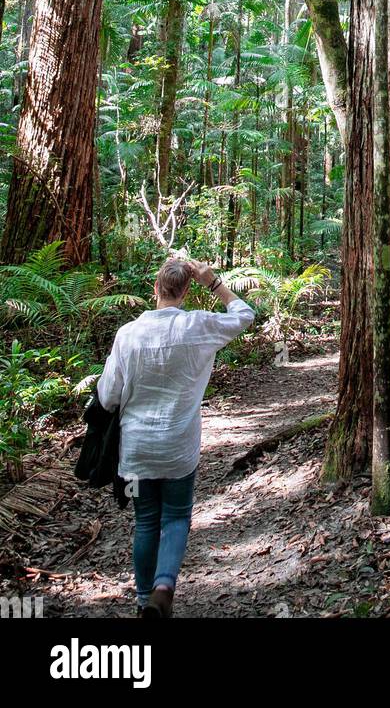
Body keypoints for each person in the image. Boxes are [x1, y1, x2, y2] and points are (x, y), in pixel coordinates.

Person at [97, 257, 255, 618]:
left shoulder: (128, 334)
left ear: (155, 288)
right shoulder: (198, 326)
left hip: (135, 453)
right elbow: (245, 315)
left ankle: (142, 601)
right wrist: (213, 282)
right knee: (176, 516)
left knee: (146, 519)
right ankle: (164, 586)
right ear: (186, 291)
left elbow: (108, 397)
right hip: (179, 449)